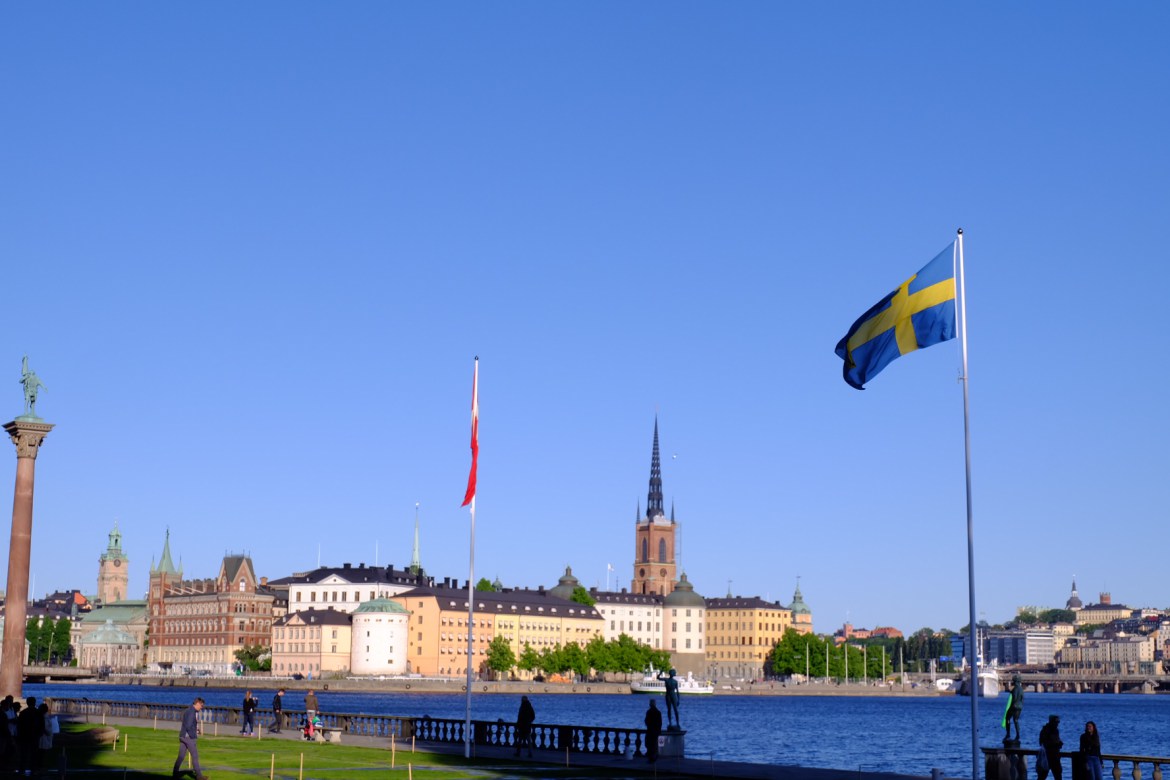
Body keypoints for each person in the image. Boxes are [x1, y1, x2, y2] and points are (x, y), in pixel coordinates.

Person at [172, 697, 207, 780]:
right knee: (195, 756)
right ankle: (199, 776)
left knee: (181, 756)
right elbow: (188, 726)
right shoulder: (192, 712)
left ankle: (175, 773)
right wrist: (193, 736)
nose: (202, 708)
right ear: (197, 703)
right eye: (201, 706)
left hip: (183, 736)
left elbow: (189, 724)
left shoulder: (189, 710)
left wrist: (196, 729)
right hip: (188, 737)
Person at [16, 696, 44, 776]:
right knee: (34, 754)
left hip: (25, 736)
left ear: (27, 703)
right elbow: (42, 725)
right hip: (35, 736)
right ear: (34, 703)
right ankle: (33, 769)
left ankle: (22, 769)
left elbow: (19, 725)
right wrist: (39, 733)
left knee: (24, 754)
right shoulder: (38, 713)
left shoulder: (23, 713)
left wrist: (19, 735)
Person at [1040, 714, 1064, 780]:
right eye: (1056, 722)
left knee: (1057, 775)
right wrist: (1056, 744)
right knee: (1043, 775)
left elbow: (1056, 740)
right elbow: (1044, 742)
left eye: (1058, 722)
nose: (1057, 724)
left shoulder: (1055, 730)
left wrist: (1059, 744)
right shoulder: (1047, 730)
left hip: (1055, 756)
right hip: (1049, 756)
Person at [1004, 674, 1024, 742]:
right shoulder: (1021, 689)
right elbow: (1022, 699)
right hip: (1020, 707)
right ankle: (1018, 735)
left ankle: (1008, 734)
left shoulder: (1015, 689)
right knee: (1016, 720)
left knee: (1007, 718)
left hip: (1014, 706)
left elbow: (1014, 698)